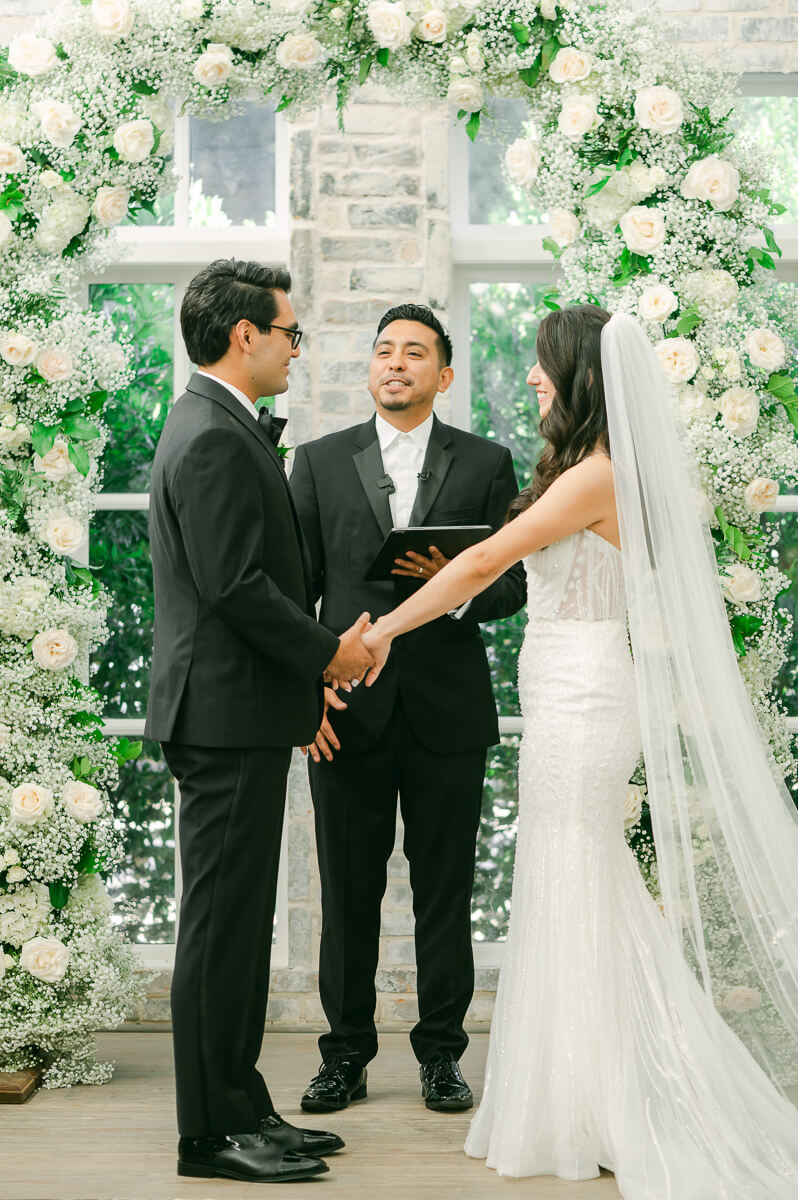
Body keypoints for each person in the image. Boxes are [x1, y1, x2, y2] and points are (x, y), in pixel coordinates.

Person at [360, 306, 798, 1197]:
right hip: (571, 687)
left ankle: (607, 1099)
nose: (531, 379)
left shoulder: (596, 475)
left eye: (543, 366)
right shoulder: (594, 471)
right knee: (574, 878)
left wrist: (383, 634)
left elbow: (485, 564)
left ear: (583, 378)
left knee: (575, 872)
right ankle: (584, 1096)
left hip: (586, 695)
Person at [144, 259, 374, 1184]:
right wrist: (331, 655)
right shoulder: (209, 435)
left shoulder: (219, 425)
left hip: (238, 710)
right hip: (222, 716)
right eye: (290, 332)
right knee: (220, 928)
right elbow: (236, 587)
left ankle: (242, 1103)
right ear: (246, 335)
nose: (295, 347)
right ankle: (210, 1132)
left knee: (238, 924)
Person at [289, 304, 527, 1114]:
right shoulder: (318, 462)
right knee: (345, 893)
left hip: (448, 716)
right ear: (369, 370)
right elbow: (293, 593)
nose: (396, 363)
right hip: (346, 714)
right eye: (384, 351)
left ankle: (442, 1058)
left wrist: (450, 590)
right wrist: (304, 696)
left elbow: (513, 585)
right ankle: (344, 1055)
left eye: (415, 352)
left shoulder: (489, 462)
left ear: (443, 375)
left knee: (446, 892)